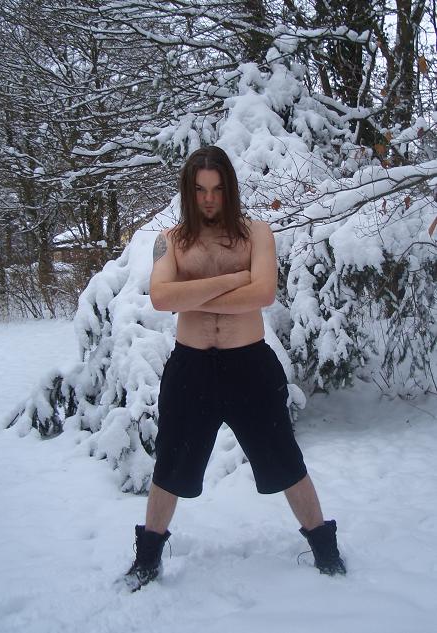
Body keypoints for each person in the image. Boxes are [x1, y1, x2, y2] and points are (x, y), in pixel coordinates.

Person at [124, 146, 346, 591]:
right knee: (170, 465)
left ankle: (325, 548)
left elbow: (262, 293)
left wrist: (194, 291)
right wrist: (233, 279)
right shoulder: (171, 240)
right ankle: (147, 559)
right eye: (200, 190)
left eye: (217, 189)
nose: (209, 199)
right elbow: (162, 298)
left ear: (230, 189)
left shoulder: (256, 234)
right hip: (190, 370)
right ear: (189, 191)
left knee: (286, 460)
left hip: (250, 367)